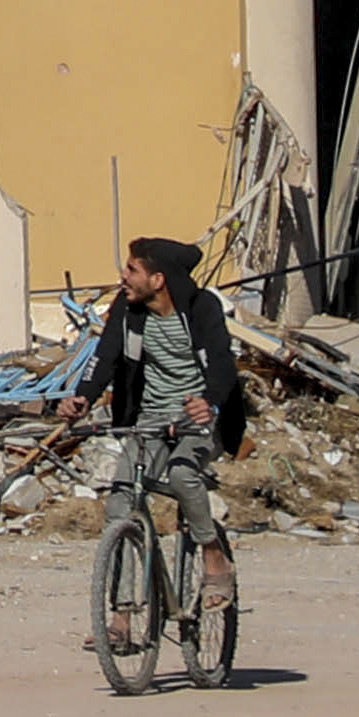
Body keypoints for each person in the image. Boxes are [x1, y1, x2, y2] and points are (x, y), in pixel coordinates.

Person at [89, 231, 254, 649]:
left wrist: (210, 403)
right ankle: (122, 619)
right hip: (148, 422)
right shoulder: (127, 312)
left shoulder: (201, 310)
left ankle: (213, 558)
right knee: (121, 503)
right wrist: (81, 397)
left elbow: (221, 363)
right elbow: (106, 359)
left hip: (201, 420)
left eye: (132, 269)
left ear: (158, 279)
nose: (123, 276)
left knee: (183, 476)